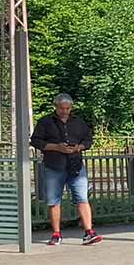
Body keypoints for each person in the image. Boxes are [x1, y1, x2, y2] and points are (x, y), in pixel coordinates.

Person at [29, 93, 101, 246]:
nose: (65, 111)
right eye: (62, 108)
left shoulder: (78, 122)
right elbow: (36, 141)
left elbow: (88, 140)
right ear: (55, 107)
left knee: (82, 198)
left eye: (68, 108)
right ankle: (56, 233)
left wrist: (79, 147)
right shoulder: (46, 122)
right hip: (54, 165)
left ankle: (89, 232)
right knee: (54, 200)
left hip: (75, 165)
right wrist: (56, 147)